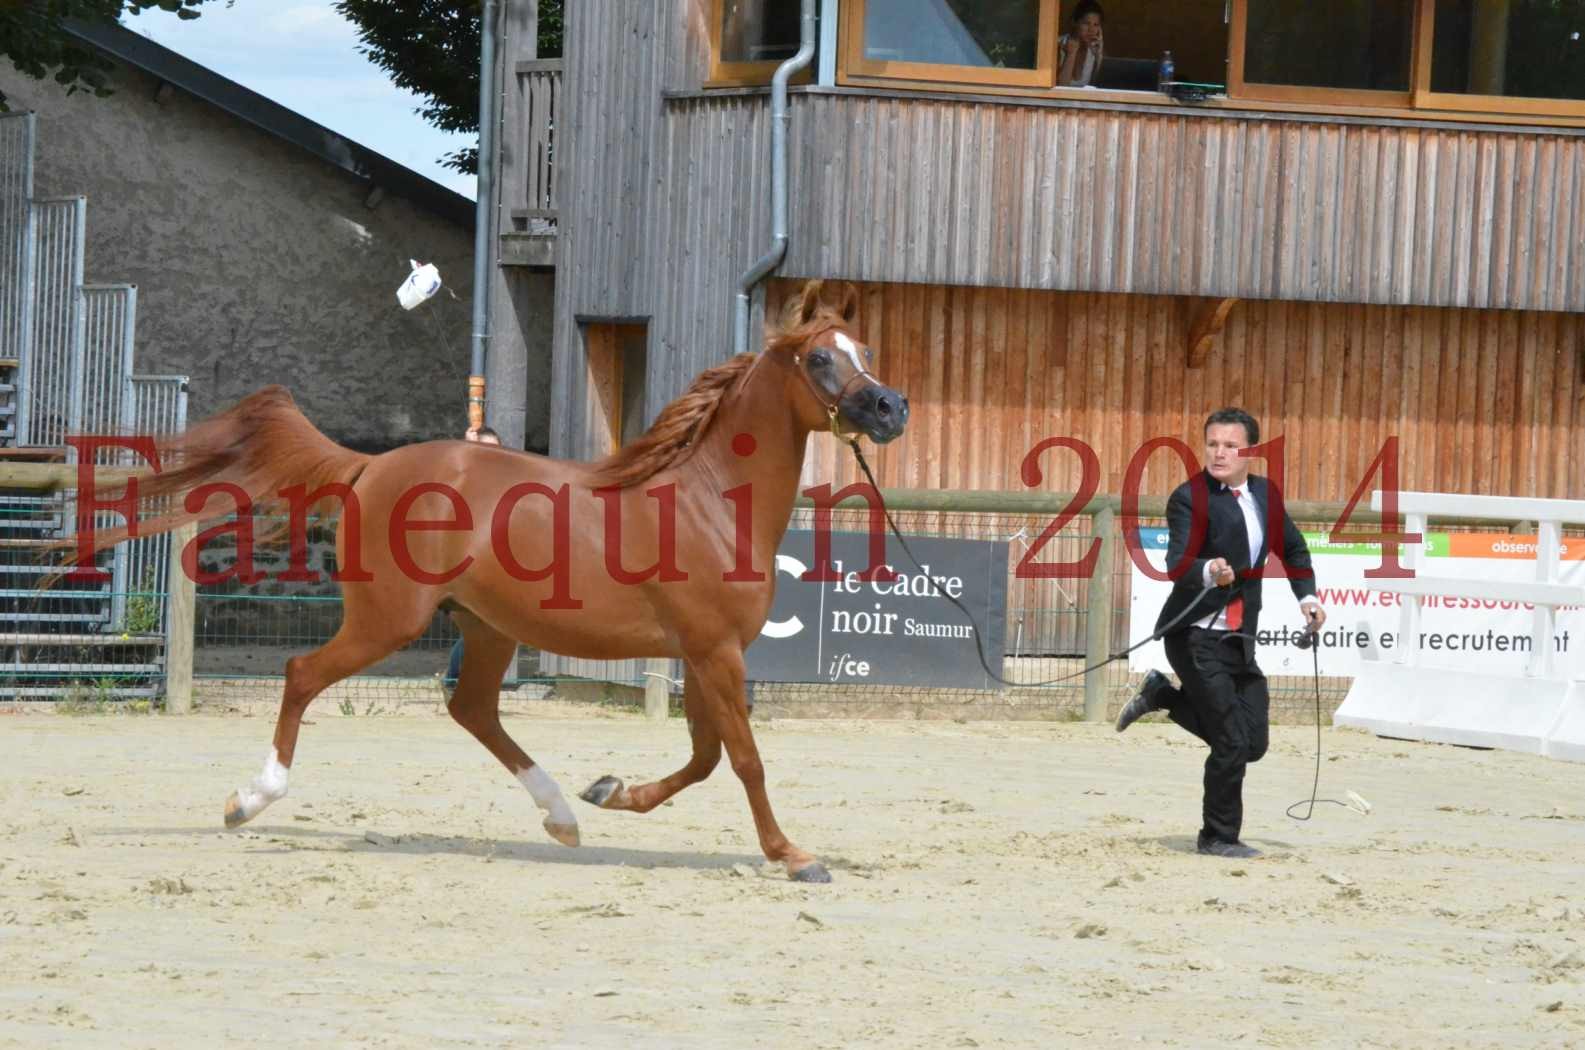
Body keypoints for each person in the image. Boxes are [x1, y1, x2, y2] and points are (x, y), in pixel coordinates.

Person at [1114, 407, 1326, 860]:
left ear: (1249, 450)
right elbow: (1177, 563)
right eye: (1213, 444)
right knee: (1230, 741)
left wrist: (1307, 598)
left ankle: (1162, 697)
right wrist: (1209, 569)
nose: (1219, 452)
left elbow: (1292, 548)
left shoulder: (1266, 494)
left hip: (1238, 638)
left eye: (1230, 445)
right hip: (1195, 636)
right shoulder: (1189, 498)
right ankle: (1217, 837)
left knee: (1253, 744)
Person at [443, 425, 501, 695]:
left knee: (485, 628)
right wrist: (466, 448)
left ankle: (458, 682)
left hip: (498, 568)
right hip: (465, 568)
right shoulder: (465, 480)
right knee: (477, 627)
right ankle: (454, 681)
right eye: (484, 449)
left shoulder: (505, 481)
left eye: (495, 449)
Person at [1058, 1, 1105, 87]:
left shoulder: (1093, 51)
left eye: (1096, 25)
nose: (1091, 30)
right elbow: (1062, 87)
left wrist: (1099, 57)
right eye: (1086, 23)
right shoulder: (1058, 44)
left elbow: (1098, 89)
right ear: (1075, 22)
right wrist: (1071, 54)